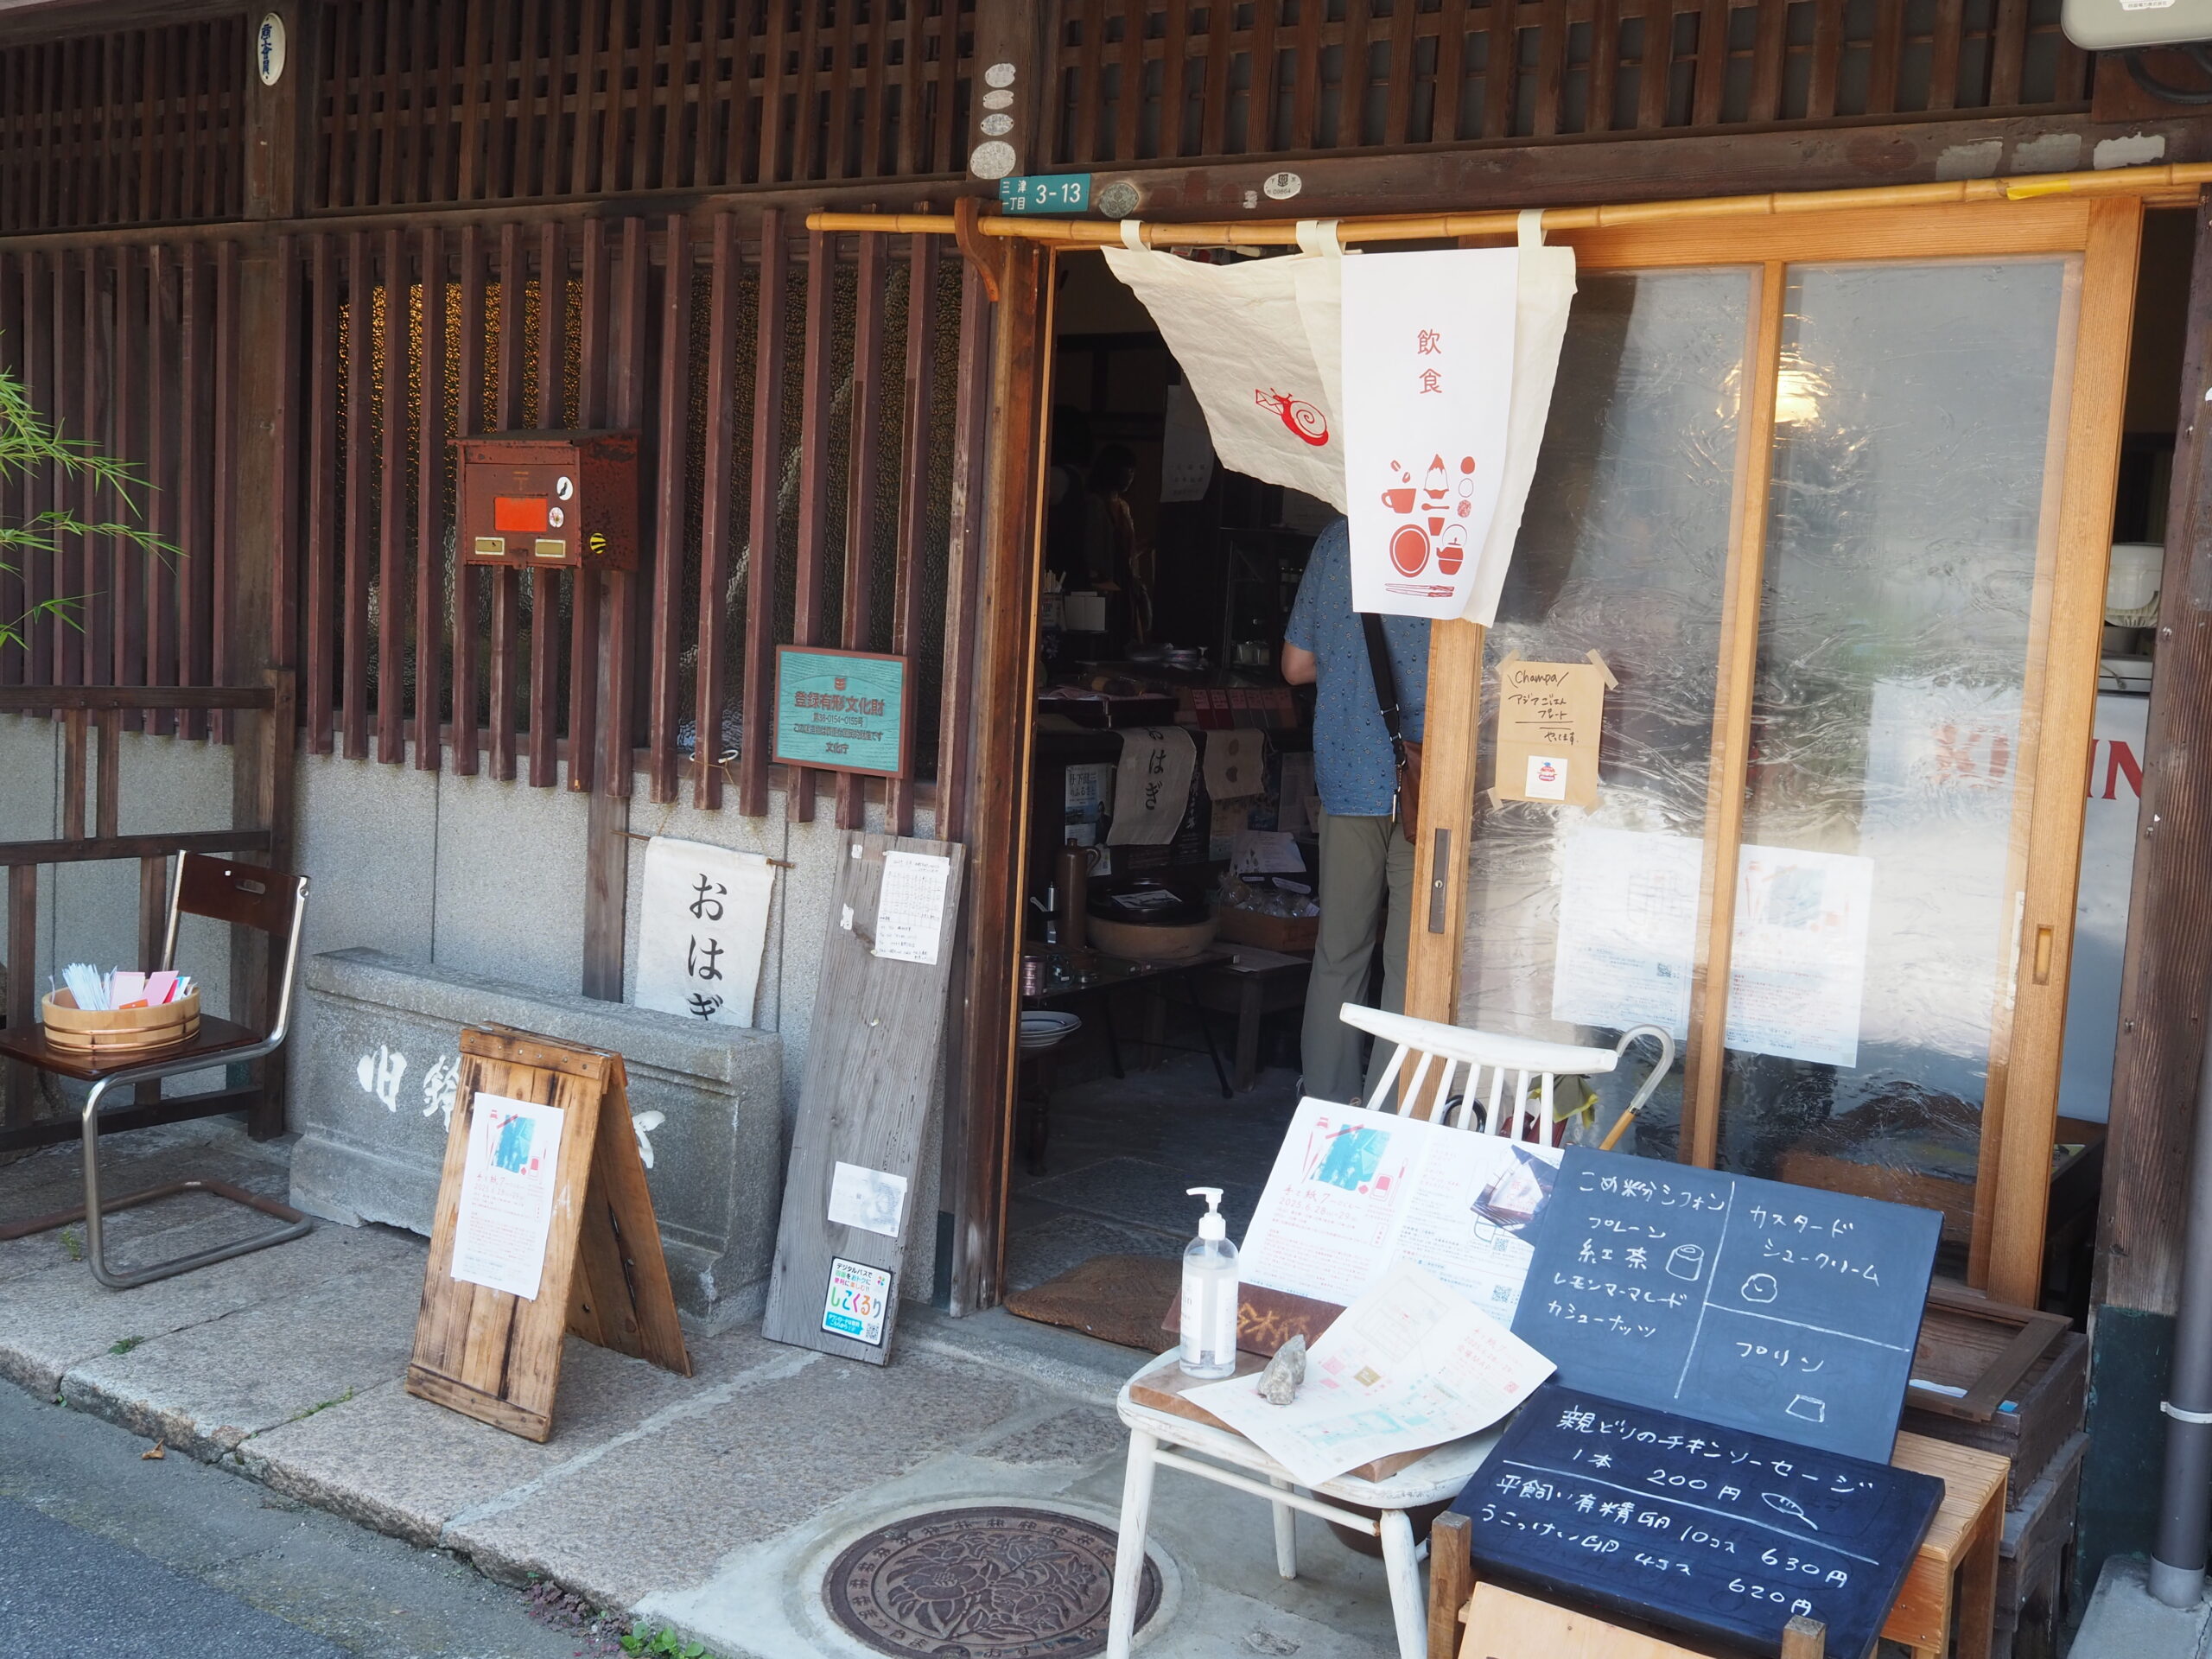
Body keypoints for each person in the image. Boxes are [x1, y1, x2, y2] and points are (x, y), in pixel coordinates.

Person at [1281, 516, 1428, 1105]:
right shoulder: (1456, 532)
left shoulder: (1339, 539)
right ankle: (1395, 1108)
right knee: (1412, 959)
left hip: (1350, 770)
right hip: (1429, 779)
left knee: (1339, 951)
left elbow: (1296, 666)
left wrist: (1351, 670)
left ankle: (1326, 1102)